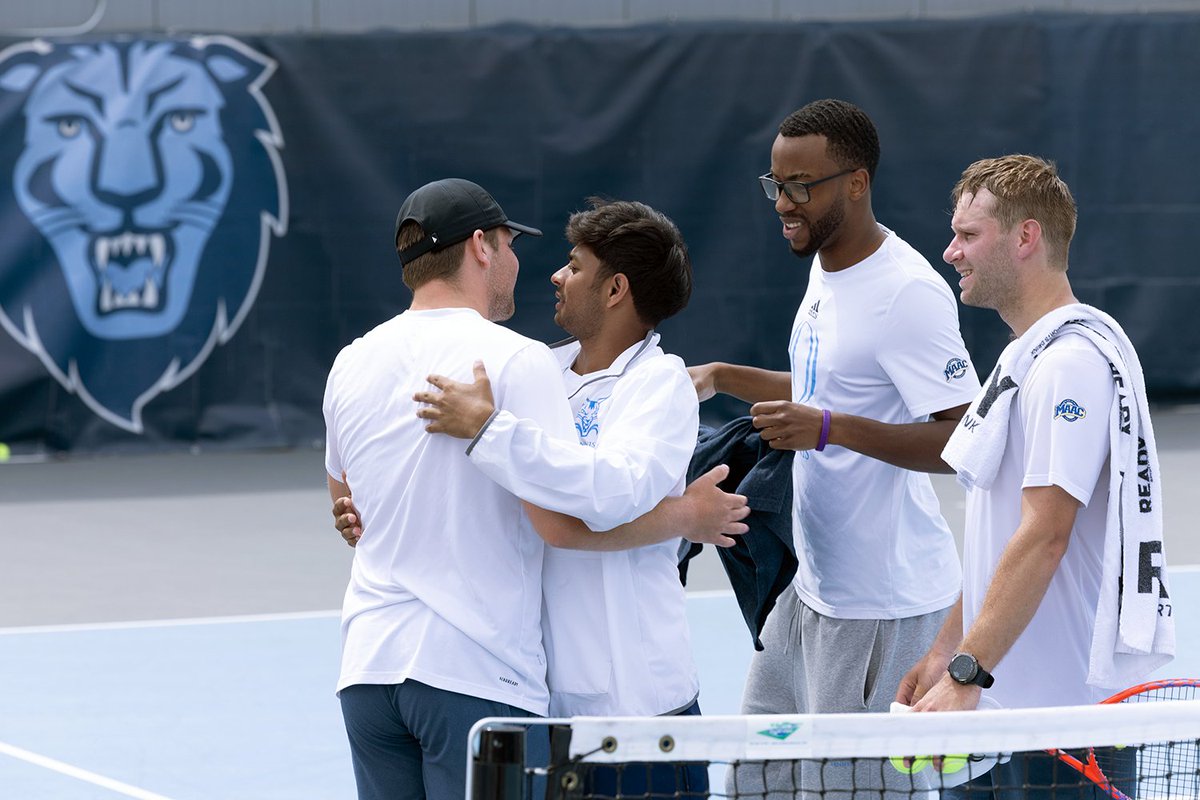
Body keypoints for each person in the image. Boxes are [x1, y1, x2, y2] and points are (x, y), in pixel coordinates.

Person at [322, 179, 746, 800]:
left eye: (573, 266)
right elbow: (549, 520)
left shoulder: (658, 384)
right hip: (538, 703)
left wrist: (490, 433)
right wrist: (684, 517)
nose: (552, 275)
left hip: (637, 703)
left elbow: (609, 494)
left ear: (615, 289)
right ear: (481, 248)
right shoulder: (531, 365)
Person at [688, 98, 981, 797]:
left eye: (800, 186)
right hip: (809, 591)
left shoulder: (907, 292)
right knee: (756, 782)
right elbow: (837, 384)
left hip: (881, 604)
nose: (784, 202)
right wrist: (723, 377)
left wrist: (828, 430)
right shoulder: (828, 263)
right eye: (776, 185)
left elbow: (965, 437)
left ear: (855, 183)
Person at [898, 155, 1172, 796]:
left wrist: (967, 672)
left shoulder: (1068, 366)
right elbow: (999, 542)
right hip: (1003, 718)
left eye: (968, 235)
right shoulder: (1027, 361)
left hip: (1063, 735)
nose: (950, 251)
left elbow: (1046, 534)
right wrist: (946, 650)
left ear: (1026, 237)